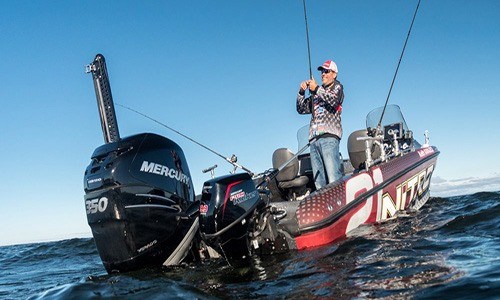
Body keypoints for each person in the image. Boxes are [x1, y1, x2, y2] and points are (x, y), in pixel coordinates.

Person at [296, 60, 344, 189]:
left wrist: (316, 88)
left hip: (329, 138)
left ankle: (341, 205)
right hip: (314, 140)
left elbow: (334, 100)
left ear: (334, 74)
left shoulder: (337, 87)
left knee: (333, 178)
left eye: (326, 71)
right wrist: (302, 92)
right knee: (319, 183)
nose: (323, 74)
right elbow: (301, 109)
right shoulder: (316, 94)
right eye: (322, 72)